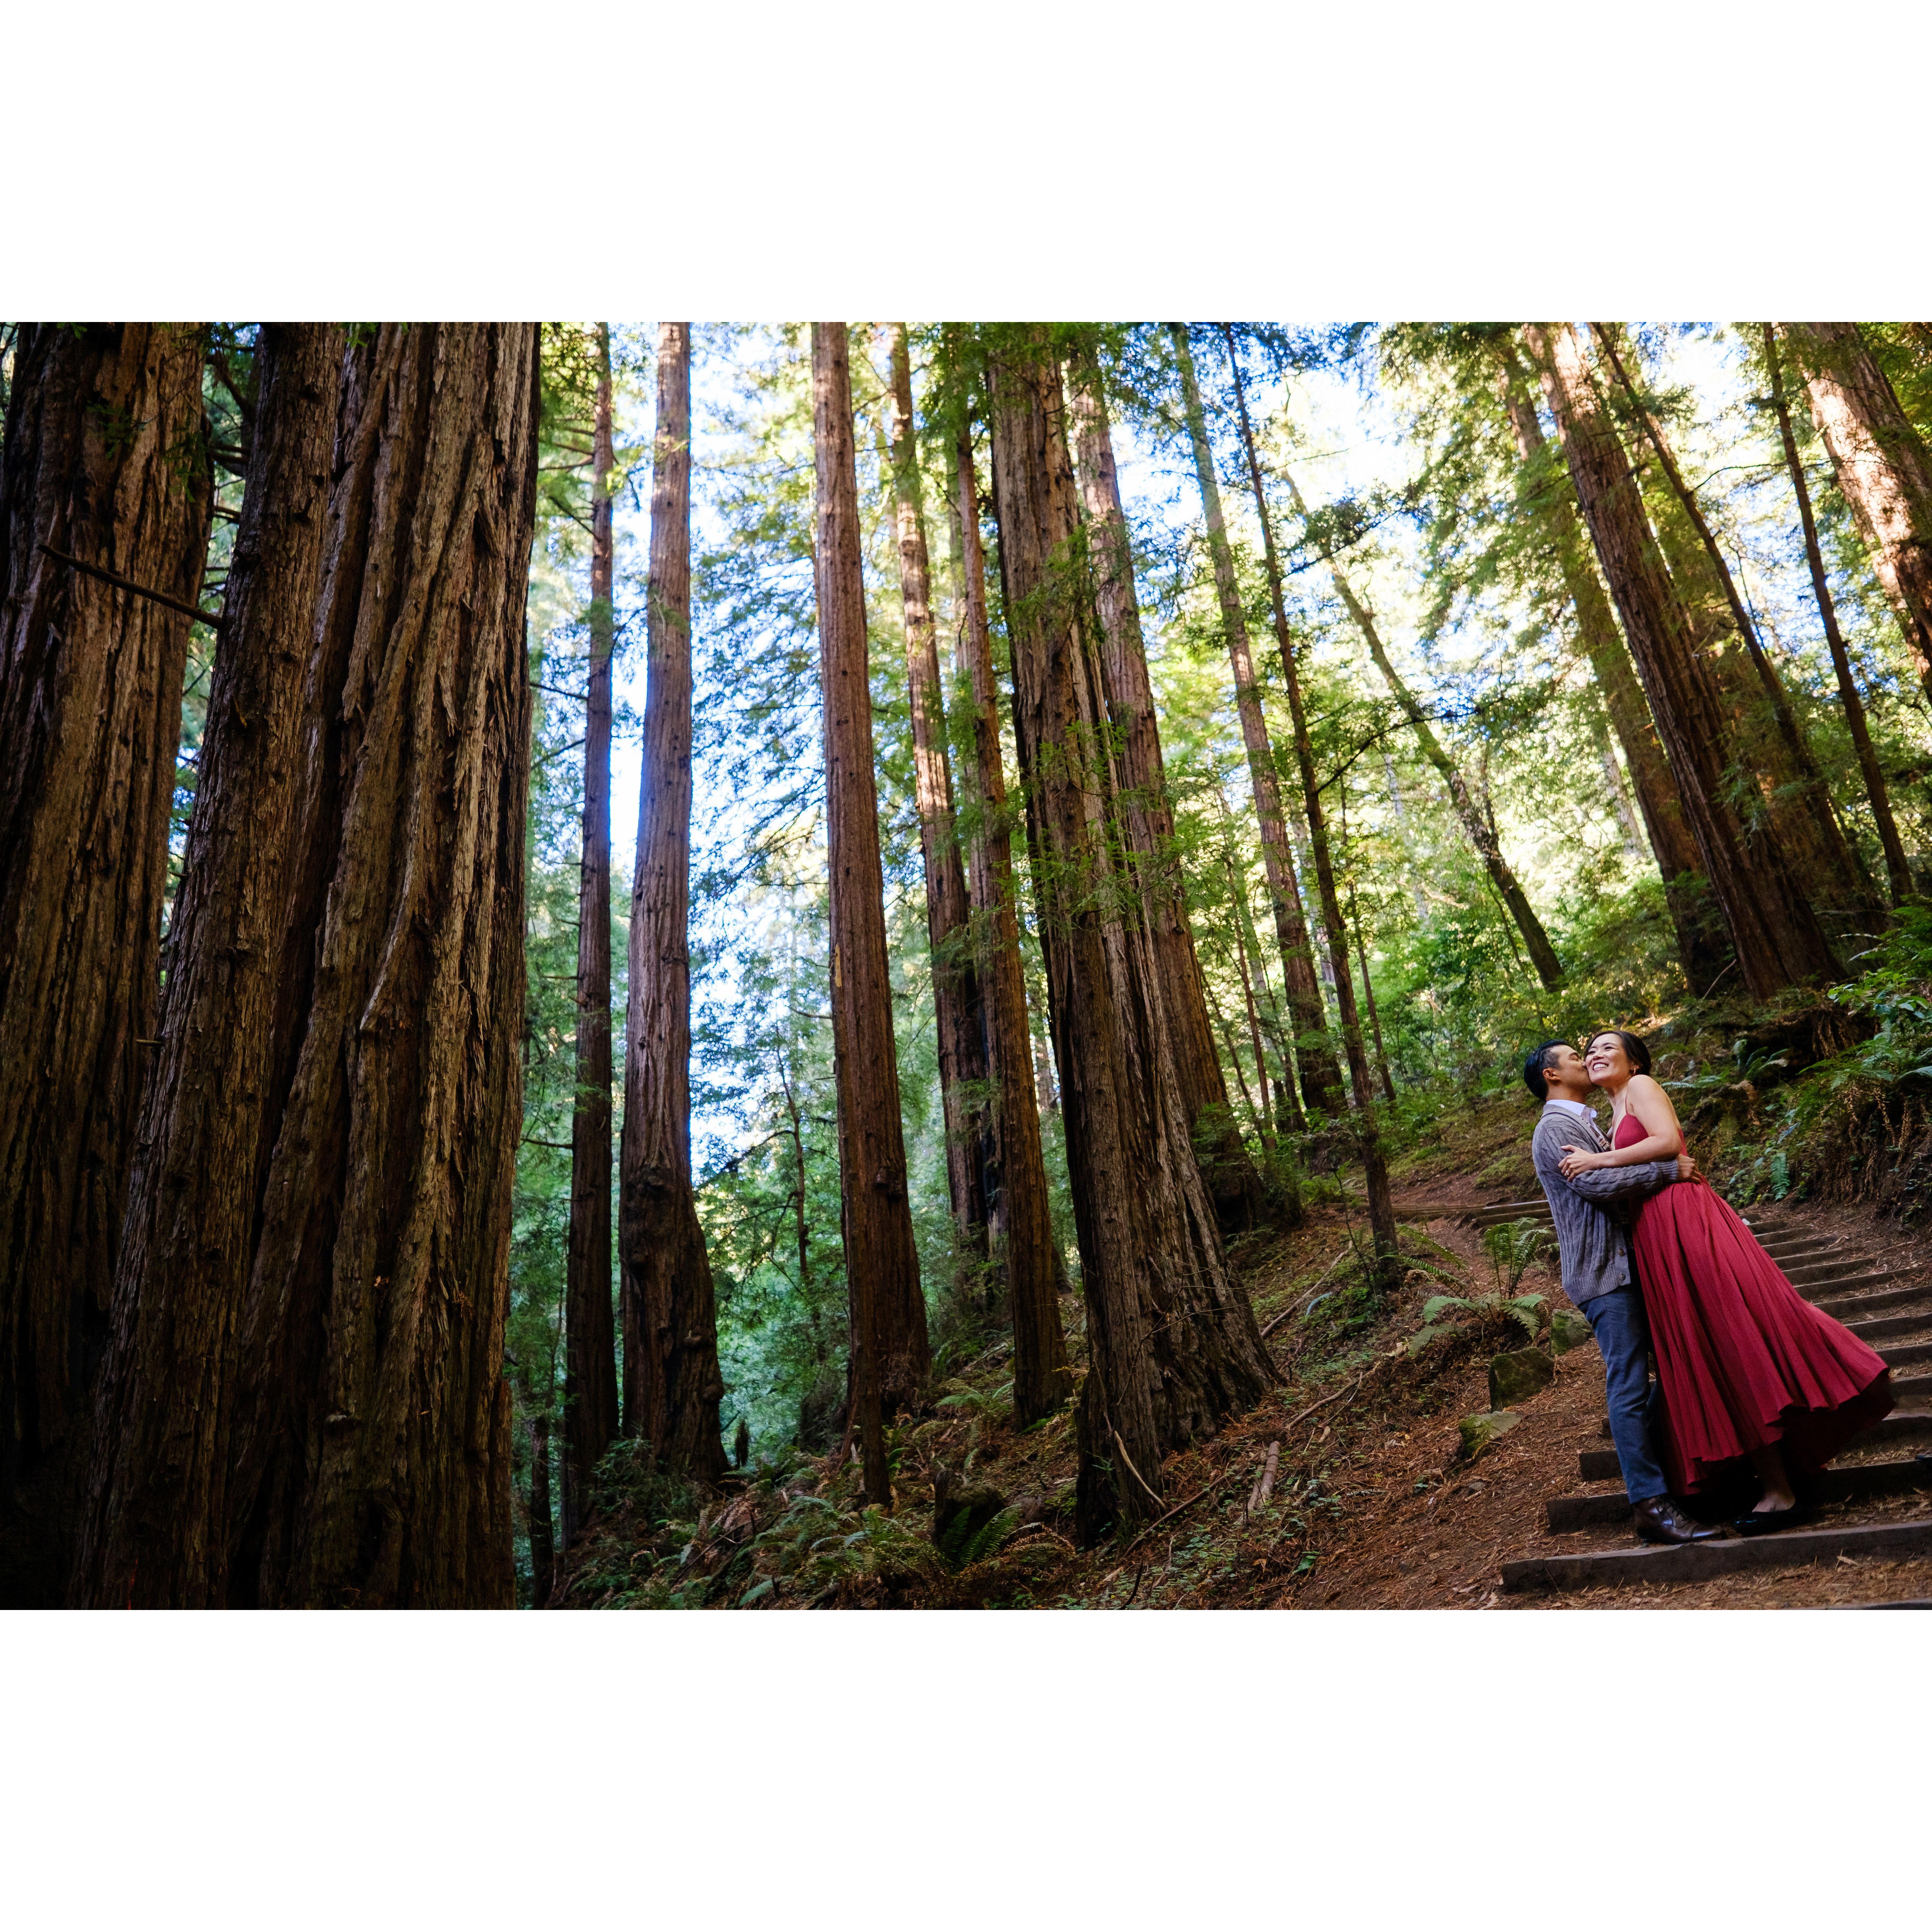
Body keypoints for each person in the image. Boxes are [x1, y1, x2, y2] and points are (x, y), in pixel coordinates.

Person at [1557, 1028, 1895, 1533]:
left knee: (1733, 1332)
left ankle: (1792, 1467)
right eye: (1590, 1051)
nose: (1596, 1055)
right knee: (1712, 1349)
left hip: (1685, 1220)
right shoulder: (1614, 1107)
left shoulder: (1643, 1086)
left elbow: (1669, 1143)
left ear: (1634, 1060)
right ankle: (1775, 1484)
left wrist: (1598, 1159)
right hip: (1657, 1235)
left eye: (1609, 1048)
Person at [1522, 1039, 1721, 1546]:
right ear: (1552, 1075)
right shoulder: (1556, 1126)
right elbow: (1595, 1187)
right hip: (1603, 1274)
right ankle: (1650, 1504)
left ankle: (1675, 1474)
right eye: (1574, 1057)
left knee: (1672, 1368)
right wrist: (1666, 1170)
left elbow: (1606, 1168)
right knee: (1629, 1385)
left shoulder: (1588, 1119)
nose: (1584, 1060)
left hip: (1630, 1266)